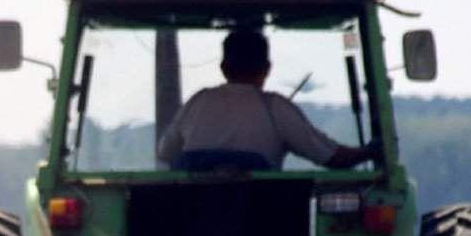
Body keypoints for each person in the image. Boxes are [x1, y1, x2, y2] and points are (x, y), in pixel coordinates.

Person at [156, 28, 373, 171]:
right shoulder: (276, 108)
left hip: (191, 223)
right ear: (267, 69)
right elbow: (332, 157)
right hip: (260, 225)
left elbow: (165, 152)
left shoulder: (199, 101)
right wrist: (371, 151)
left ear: (223, 68)